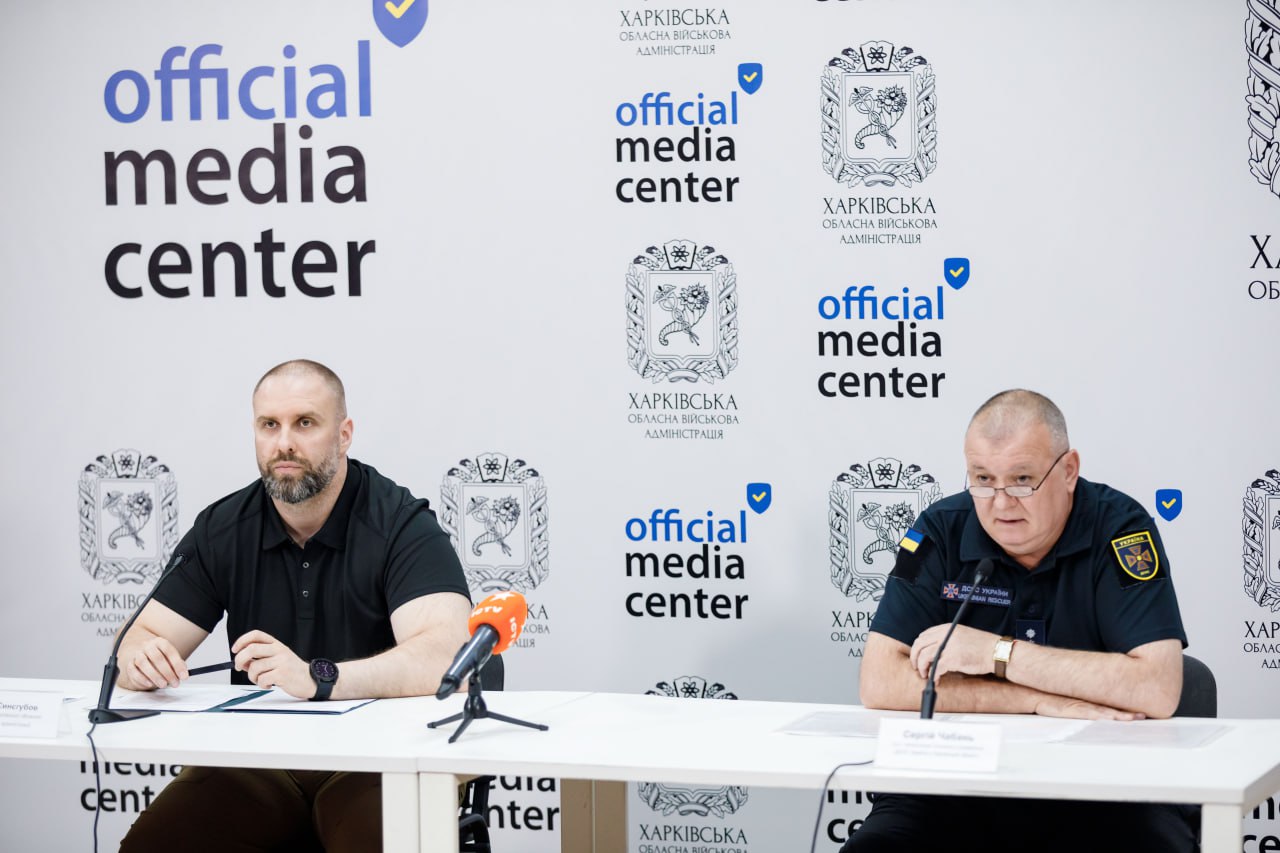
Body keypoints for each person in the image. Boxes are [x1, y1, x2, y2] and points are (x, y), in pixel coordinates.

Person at [115, 359, 472, 853]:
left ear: (344, 435)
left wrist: (321, 679)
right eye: (269, 425)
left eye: (305, 423)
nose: (284, 443)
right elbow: (137, 640)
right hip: (260, 760)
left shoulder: (399, 523)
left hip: (381, 755)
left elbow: (452, 656)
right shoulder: (223, 527)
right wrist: (138, 658)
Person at [845, 389, 1196, 853]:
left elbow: (1157, 687)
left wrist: (995, 654)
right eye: (983, 479)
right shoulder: (941, 529)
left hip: (1101, 786)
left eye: (1022, 480)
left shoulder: (1120, 527)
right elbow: (880, 682)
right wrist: (1034, 699)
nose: (1001, 503)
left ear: (1068, 471)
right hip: (954, 786)